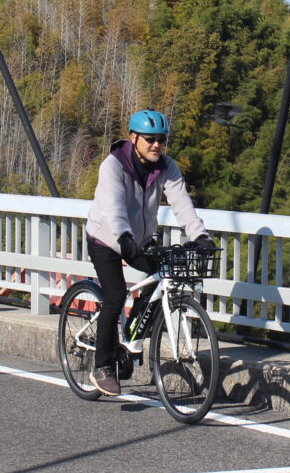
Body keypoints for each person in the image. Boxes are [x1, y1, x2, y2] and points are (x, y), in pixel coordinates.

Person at [83, 109, 215, 396]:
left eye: (162, 140)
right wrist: (123, 236)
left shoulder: (166, 166)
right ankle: (102, 366)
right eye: (150, 139)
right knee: (115, 296)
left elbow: (182, 203)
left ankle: (132, 334)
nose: (157, 145)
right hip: (106, 237)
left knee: (161, 275)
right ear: (133, 138)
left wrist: (200, 236)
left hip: (139, 238)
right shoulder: (113, 165)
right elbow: (114, 206)